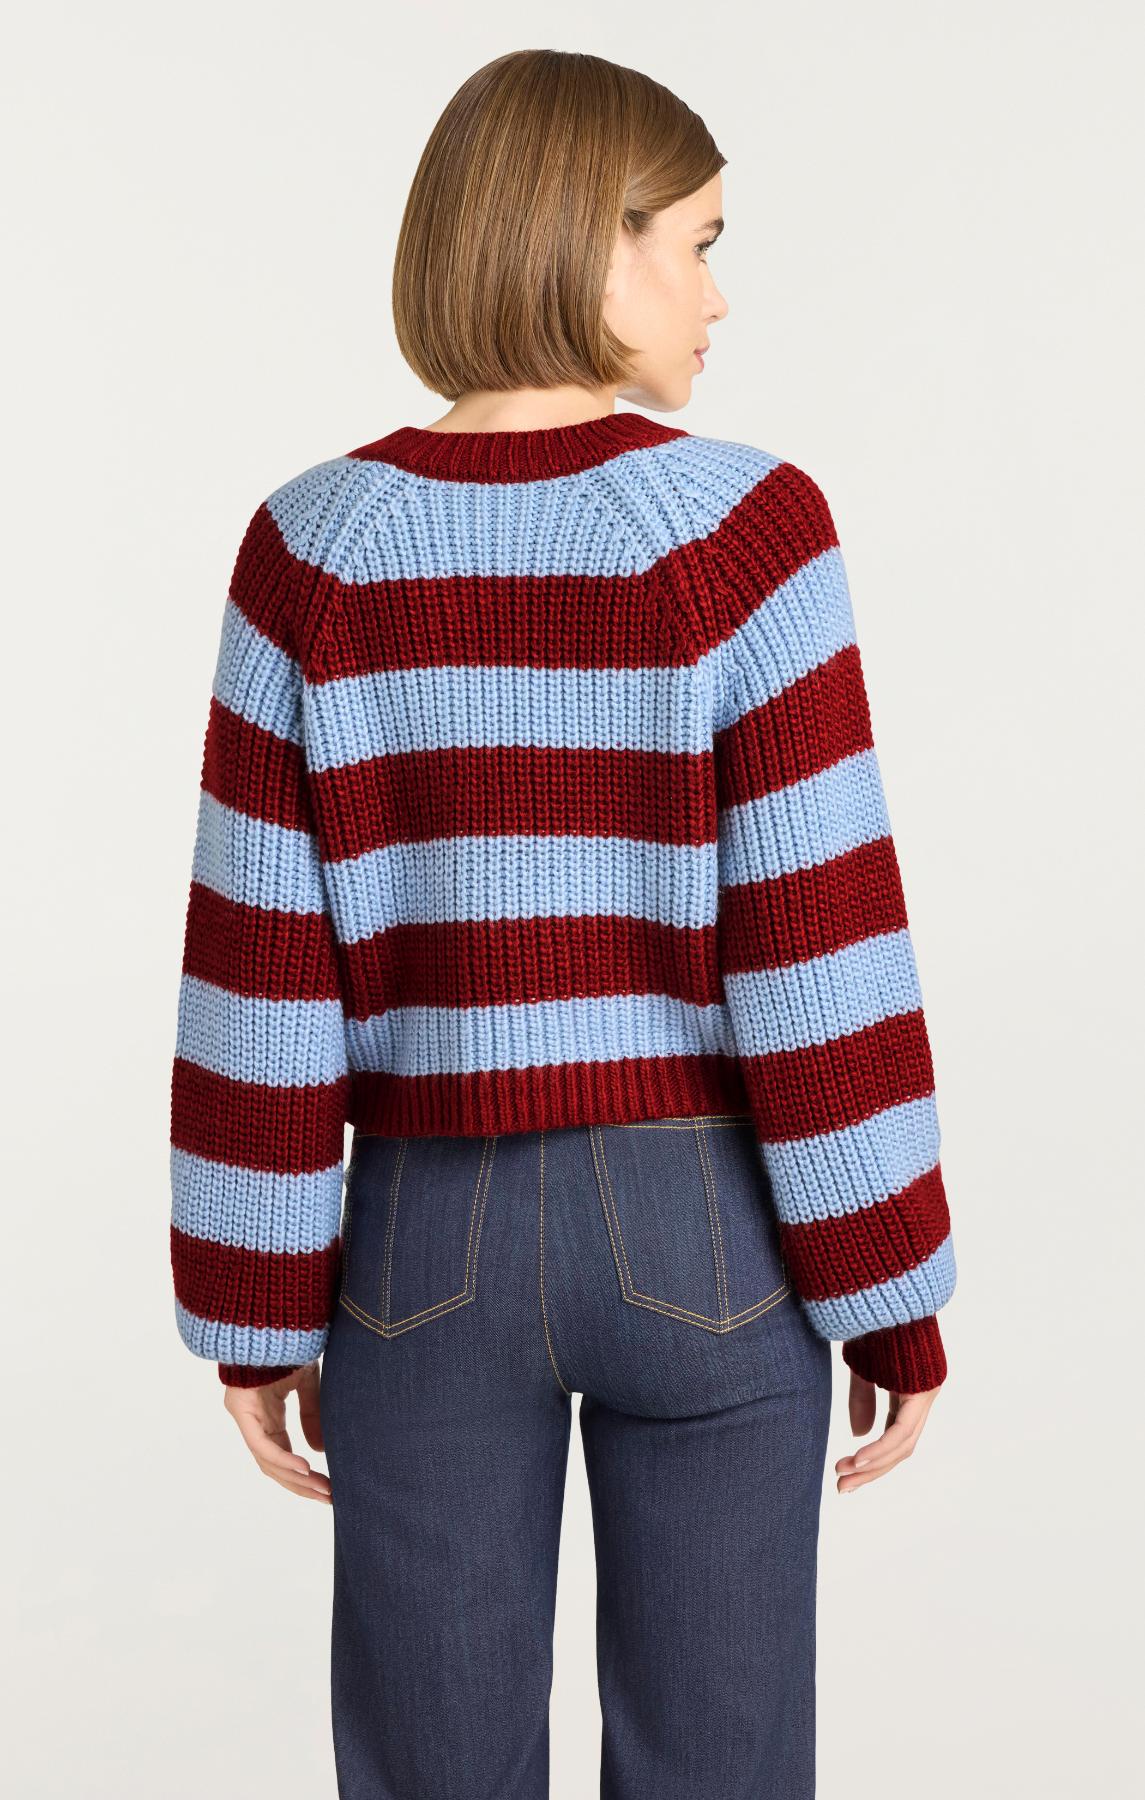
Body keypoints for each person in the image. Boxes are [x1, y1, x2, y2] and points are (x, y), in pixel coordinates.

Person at [168, 47, 957, 1799]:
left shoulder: (310, 548)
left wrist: (252, 1301)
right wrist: (892, 1291)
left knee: (429, 1769)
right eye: (697, 241)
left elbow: (258, 970)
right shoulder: (748, 532)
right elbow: (818, 946)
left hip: (418, 1247)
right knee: (721, 1764)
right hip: (707, 1228)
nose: (718, 293)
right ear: (592, 243)